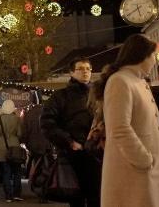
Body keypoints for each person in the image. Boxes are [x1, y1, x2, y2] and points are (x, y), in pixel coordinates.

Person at [93, 34, 159, 206]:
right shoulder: (120, 81)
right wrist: (144, 159)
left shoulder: (138, 81)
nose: (155, 60)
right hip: (132, 170)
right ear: (142, 55)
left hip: (145, 170)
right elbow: (119, 127)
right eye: (153, 55)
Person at [41, 56, 100, 207]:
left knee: (97, 196)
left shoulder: (98, 94)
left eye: (88, 69)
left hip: (97, 153)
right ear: (72, 73)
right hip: (73, 154)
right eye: (80, 69)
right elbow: (47, 124)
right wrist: (69, 142)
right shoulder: (60, 96)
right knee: (76, 197)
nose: (85, 72)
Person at [0, 100, 23, 203]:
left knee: (6, 173)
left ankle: (8, 196)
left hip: (1, 149)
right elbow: (20, 134)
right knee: (17, 172)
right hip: (15, 147)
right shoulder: (17, 119)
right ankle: (17, 194)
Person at [20, 93, 50, 202]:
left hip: (34, 146)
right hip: (47, 146)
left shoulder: (29, 114)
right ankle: (46, 191)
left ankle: (40, 191)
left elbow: (25, 132)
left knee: (38, 168)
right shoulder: (47, 111)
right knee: (47, 169)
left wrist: (25, 142)